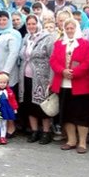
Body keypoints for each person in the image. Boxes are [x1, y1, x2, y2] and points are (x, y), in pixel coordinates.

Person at [50, 19, 89, 153]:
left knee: (82, 115)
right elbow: (53, 60)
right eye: (68, 28)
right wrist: (62, 71)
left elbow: (88, 62)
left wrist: (74, 73)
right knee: (67, 114)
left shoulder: (86, 44)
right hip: (63, 84)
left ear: (77, 29)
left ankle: (82, 142)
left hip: (81, 85)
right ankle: (71, 140)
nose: (70, 30)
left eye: (72, 28)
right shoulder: (59, 44)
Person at [17, 14, 55, 144]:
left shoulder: (48, 38)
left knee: (42, 106)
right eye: (29, 24)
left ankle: (46, 132)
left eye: (33, 24)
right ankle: (34, 131)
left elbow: (52, 59)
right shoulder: (26, 38)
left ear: (38, 24)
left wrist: (51, 79)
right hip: (26, 78)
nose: (31, 26)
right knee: (29, 104)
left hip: (41, 78)